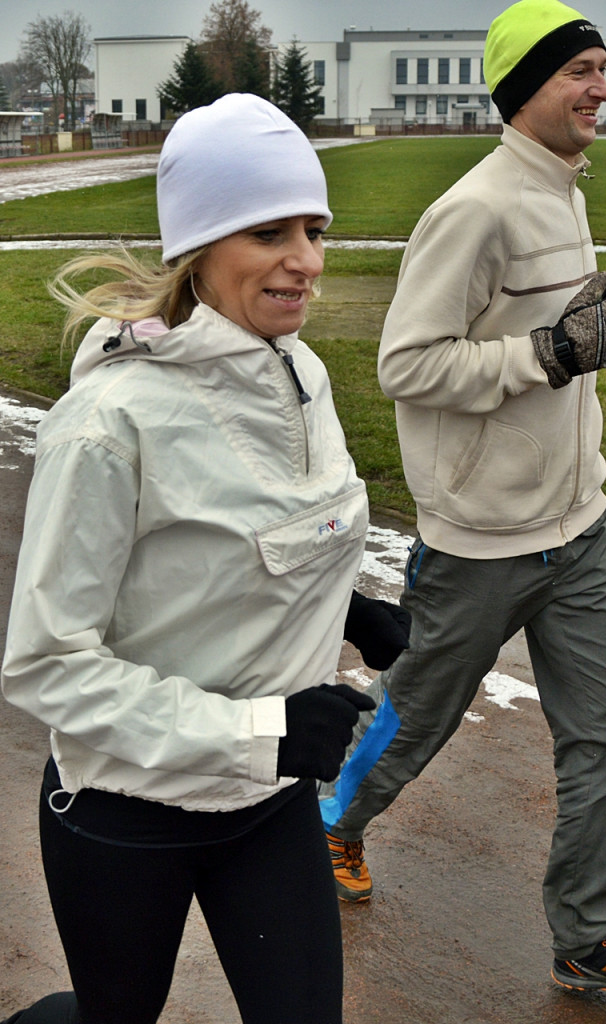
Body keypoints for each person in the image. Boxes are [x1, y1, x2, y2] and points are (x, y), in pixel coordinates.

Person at [319, 0, 606, 1007]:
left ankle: (587, 930)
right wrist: (551, 350)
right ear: (525, 85)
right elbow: (407, 362)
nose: (602, 89)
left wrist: (578, 333)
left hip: (583, 524)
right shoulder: (477, 207)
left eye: (601, 67)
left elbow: (538, 348)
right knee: (415, 720)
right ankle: (331, 823)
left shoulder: (563, 193)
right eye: (580, 69)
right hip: (481, 539)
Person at [0, 93, 414, 1024]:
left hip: (265, 806)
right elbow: (44, 663)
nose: (306, 261)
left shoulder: (299, 371)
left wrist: (347, 603)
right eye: (270, 231)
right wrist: (262, 731)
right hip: (126, 810)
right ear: (201, 244)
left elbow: (256, 532)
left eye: (315, 228)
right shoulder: (109, 428)